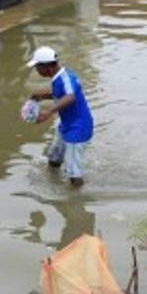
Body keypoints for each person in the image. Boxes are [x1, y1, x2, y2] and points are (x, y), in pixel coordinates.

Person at [27, 46, 93, 188]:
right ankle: (52, 182)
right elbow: (60, 93)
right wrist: (41, 96)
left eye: (38, 66)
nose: (36, 70)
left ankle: (75, 203)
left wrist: (48, 112)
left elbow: (70, 97)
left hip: (78, 129)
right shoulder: (57, 78)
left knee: (73, 174)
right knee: (54, 159)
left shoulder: (66, 78)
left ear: (48, 67)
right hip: (65, 124)